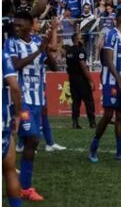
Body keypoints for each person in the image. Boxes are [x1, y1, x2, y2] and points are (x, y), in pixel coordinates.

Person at [6, 12, 58, 202]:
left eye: (20, 25)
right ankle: (24, 186)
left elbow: (53, 67)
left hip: (37, 100)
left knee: (31, 142)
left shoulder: (37, 41)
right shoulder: (11, 43)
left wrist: (46, 51)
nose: (16, 28)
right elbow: (16, 65)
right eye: (15, 25)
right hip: (21, 99)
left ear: (30, 26)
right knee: (32, 138)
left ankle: (24, 186)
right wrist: (38, 51)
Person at [89, 9, 121, 163]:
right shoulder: (112, 34)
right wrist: (120, 82)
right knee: (108, 115)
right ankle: (93, 148)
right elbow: (108, 60)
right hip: (111, 83)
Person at [3, 49, 22, 207]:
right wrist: (18, 114)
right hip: (2, 121)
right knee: (9, 170)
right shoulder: (3, 55)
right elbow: (15, 87)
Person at [65, 32, 96, 128]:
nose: (83, 40)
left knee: (76, 102)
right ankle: (92, 122)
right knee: (89, 101)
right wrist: (90, 80)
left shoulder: (69, 51)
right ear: (77, 40)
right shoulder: (80, 51)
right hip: (81, 79)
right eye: (81, 38)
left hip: (72, 79)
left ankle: (75, 122)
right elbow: (83, 65)